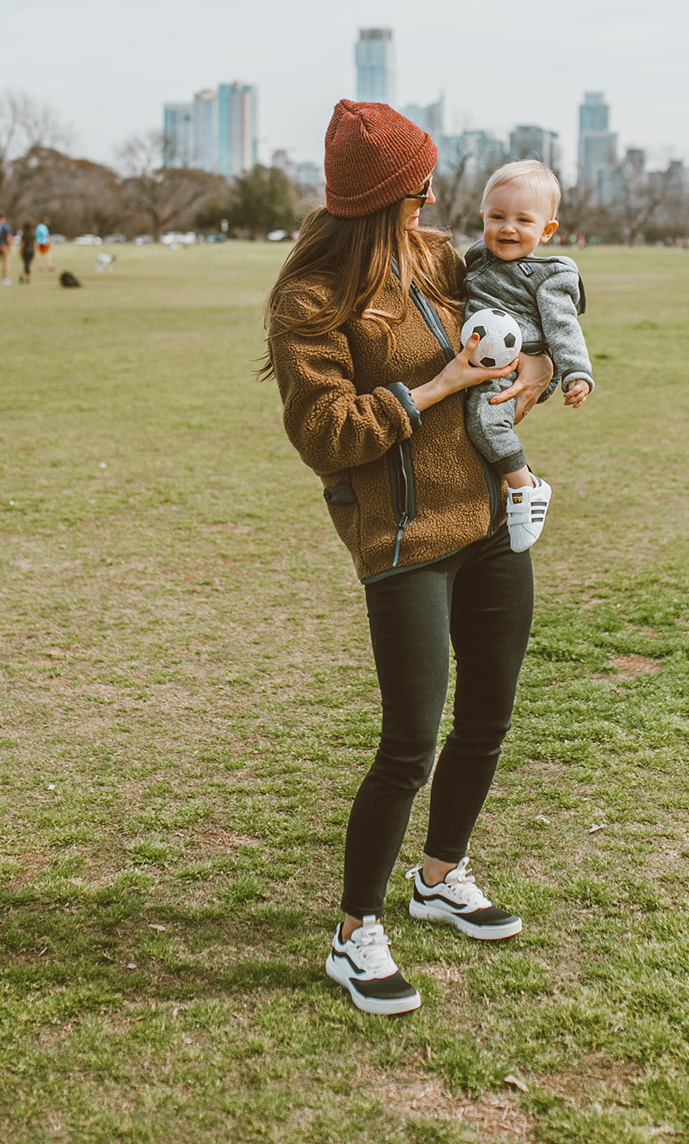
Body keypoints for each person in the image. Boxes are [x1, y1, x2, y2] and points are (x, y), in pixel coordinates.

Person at [263, 100, 554, 1016]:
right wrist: (437, 385)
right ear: (389, 196)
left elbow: (508, 351)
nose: (432, 201)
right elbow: (326, 432)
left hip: (492, 523)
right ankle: (356, 933)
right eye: (419, 188)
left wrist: (532, 376)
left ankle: (440, 875)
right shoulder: (311, 299)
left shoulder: (440, 259)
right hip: (404, 541)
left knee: (489, 718)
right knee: (409, 742)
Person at [462, 161, 593, 552]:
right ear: (482, 216)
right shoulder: (476, 258)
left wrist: (576, 373)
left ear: (547, 230)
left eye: (523, 220)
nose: (508, 228)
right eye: (498, 216)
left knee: (485, 422)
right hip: (482, 362)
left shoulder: (550, 275)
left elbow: (563, 327)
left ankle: (527, 487)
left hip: (521, 363)